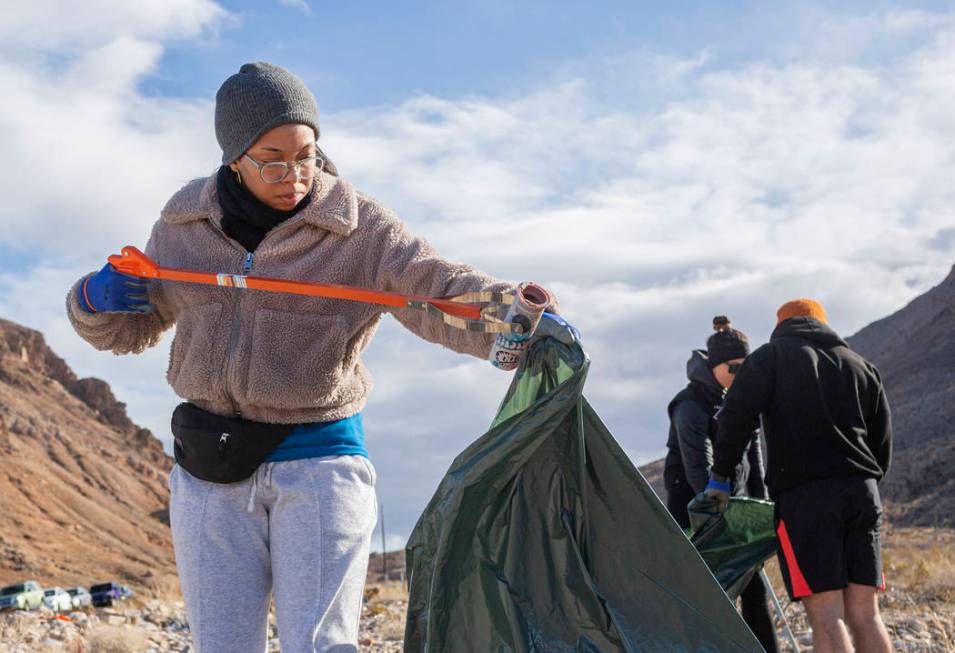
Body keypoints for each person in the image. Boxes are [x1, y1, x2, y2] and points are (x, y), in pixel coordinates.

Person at [65, 62, 575, 653]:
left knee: (321, 646)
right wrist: (92, 300)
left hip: (320, 464)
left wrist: (511, 311)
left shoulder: (358, 228)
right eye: (273, 159)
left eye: (306, 155)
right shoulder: (184, 224)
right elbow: (133, 327)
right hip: (209, 472)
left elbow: (433, 289)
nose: (295, 174)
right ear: (234, 157)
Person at [706, 299, 892, 653]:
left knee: (826, 614)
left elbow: (735, 419)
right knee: (866, 614)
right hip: (862, 493)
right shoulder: (861, 365)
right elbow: (882, 442)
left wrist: (721, 475)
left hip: (806, 500)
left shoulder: (770, 358)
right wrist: (864, 484)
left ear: (781, 326)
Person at [663, 316, 779, 653]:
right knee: (707, 596)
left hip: (735, 511)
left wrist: (762, 506)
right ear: (713, 366)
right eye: (734, 367)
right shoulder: (689, 405)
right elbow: (697, 466)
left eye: (746, 366)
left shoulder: (740, 400)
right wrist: (716, 512)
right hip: (696, 516)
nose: (741, 374)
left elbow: (755, 457)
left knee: (753, 590)